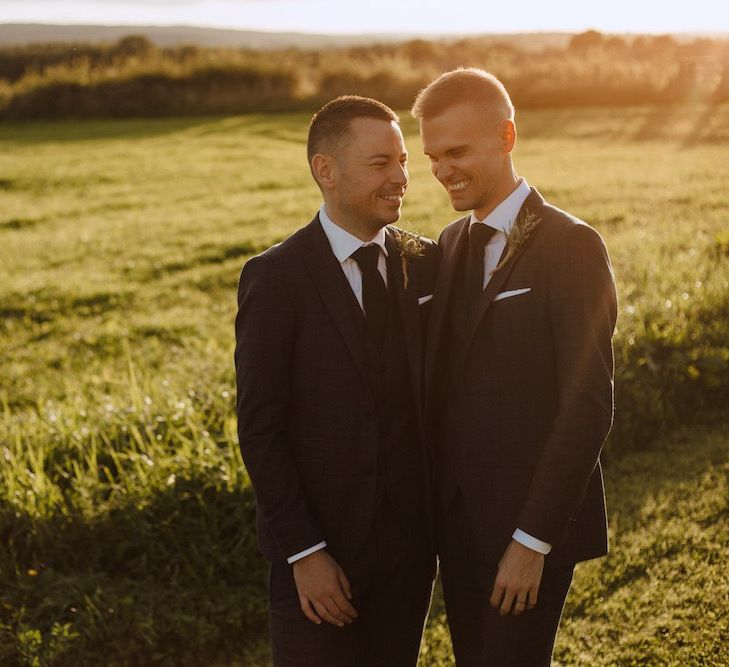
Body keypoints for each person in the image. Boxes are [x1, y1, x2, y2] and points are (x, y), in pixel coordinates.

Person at [412, 68, 618, 665]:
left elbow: (587, 406)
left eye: (456, 151)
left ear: (506, 138)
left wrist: (532, 542)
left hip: (528, 529)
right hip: (458, 528)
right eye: (431, 156)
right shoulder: (450, 244)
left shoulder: (571, 246)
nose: (442, 171)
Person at [235, 95, 440, 666]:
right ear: (325, 170)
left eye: (403, 161)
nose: (402, 177)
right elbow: (260, 430)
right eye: (381, 164)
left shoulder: (424, 262)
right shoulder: (275, 279)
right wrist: (305, 553)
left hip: (409, 558)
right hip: (318, 563)